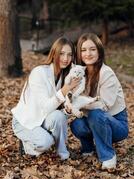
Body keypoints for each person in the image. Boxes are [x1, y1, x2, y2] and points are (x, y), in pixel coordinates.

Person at [11, 37, 80, 160]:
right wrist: (66, 89)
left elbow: (59, 113)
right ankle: (26, 145)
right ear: (54, 53)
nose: (65, 59)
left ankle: (62, 153)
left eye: (69, 55)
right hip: (26, 121)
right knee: (45, 142)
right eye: (62, 54)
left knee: (60, 116)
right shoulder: (39, 72)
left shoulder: (64, 76)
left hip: (43, 119)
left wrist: (67, 111)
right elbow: (46, 107)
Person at [70, 33, 128, 169]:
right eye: (83, 50)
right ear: (79, 53)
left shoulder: (106, 73)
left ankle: (108, 156)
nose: (87, 54)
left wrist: (79, 104)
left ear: (99, 51)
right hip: (94, 119)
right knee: (76, 124)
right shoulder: (80, 73)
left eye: (92, 49)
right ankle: (88, 148)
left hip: (116, 124)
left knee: (96, 114)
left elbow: (104, 105)